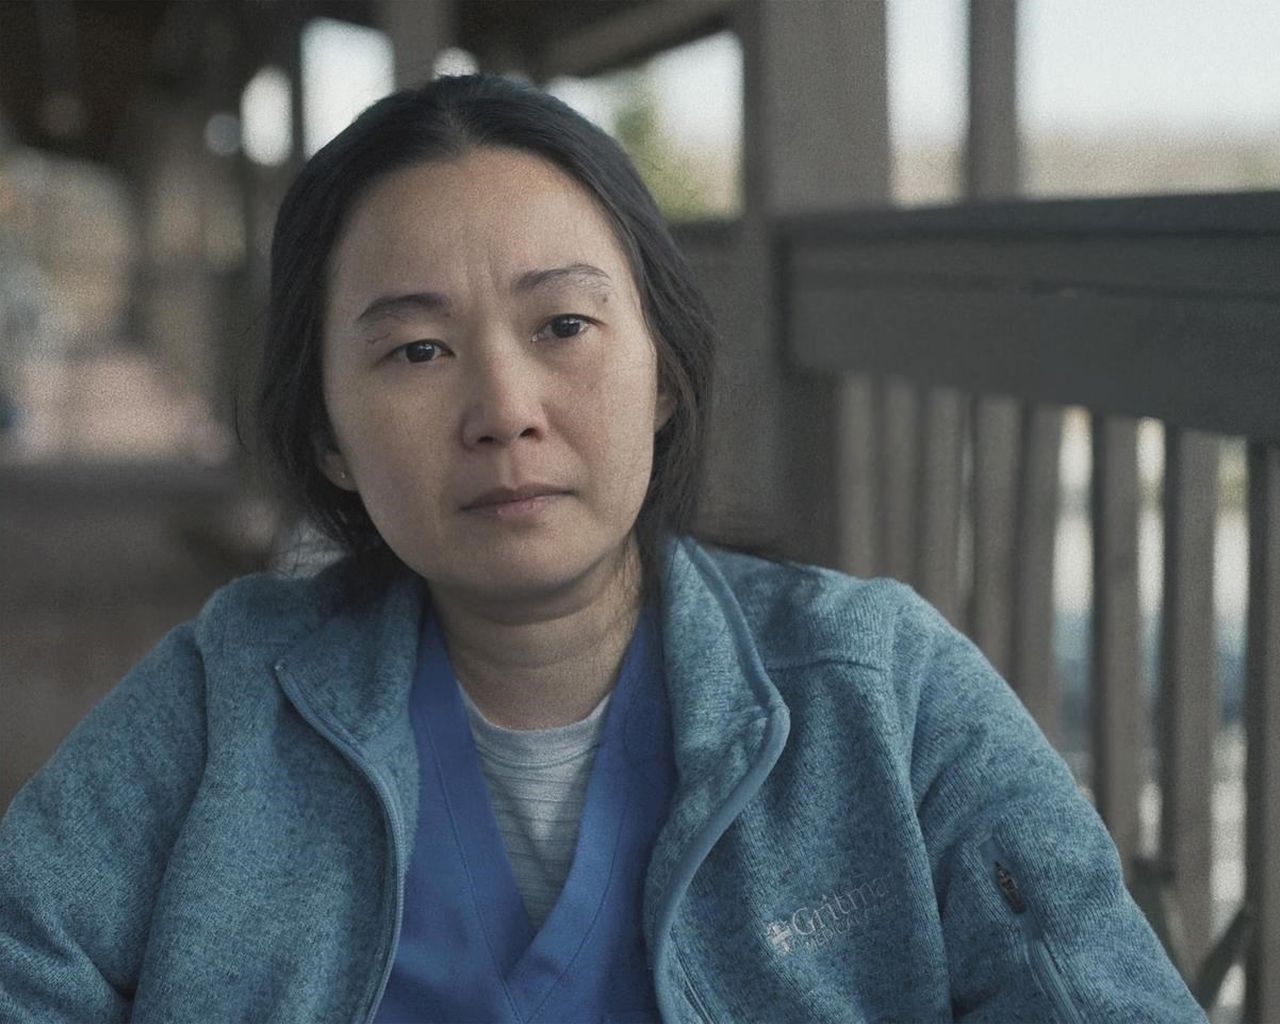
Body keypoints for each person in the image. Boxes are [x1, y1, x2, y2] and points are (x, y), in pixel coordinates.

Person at [0, 73, 1204, 1024]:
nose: (503, 408)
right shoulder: (227, 700)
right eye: (416, 350)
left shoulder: (879, 690)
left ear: (662, 374)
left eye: (564, 324)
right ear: (326, 434)